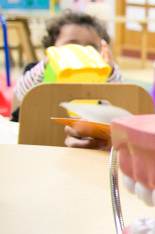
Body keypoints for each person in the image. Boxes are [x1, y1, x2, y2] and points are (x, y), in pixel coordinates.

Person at [11, 10, 122, 142]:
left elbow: (118, 99)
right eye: (72, 44)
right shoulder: (37, 71)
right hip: (38, 133)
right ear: (52, 46)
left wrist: (109, 71)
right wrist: (47, 62)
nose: (81, 51)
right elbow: (20, 95)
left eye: (91, 47)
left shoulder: (102, 76)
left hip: (82, 136)